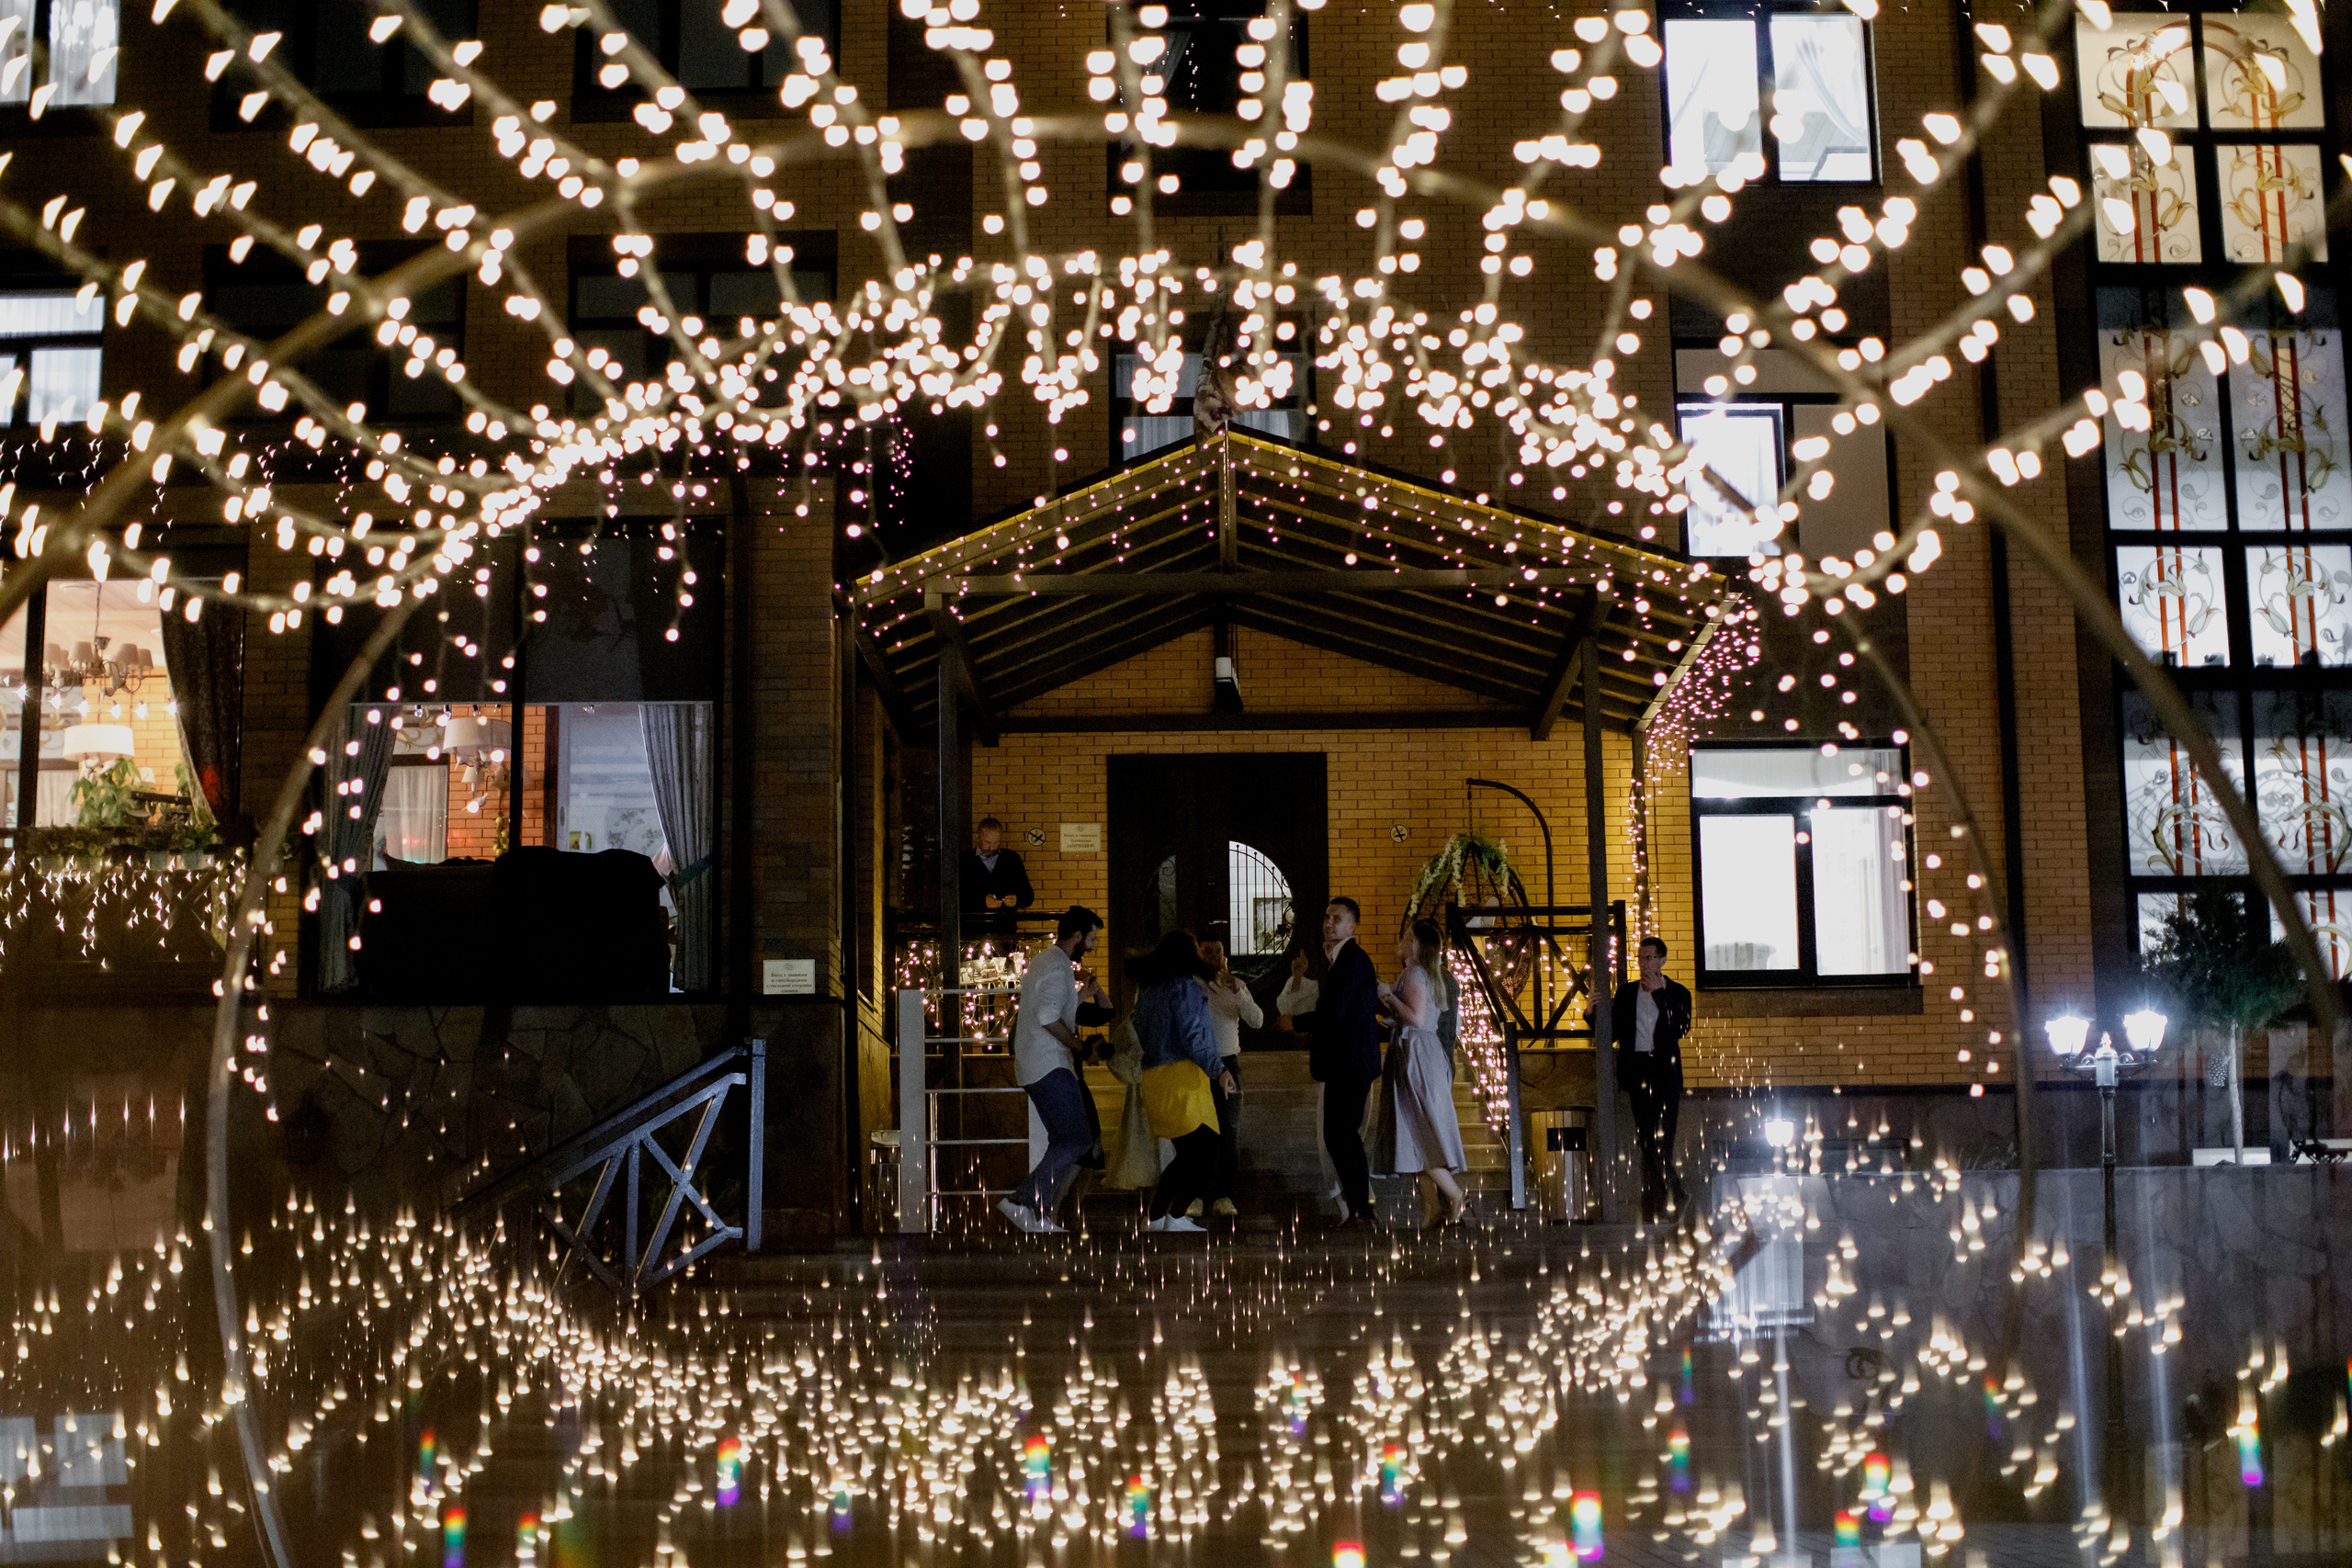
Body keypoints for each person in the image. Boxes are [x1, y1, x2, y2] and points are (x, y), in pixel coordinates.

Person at [999, 906, 1103, 1235]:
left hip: (1035, 1064)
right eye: (1091, 937)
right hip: (1050, 1064)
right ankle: (1023, 1202)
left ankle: (1039, 1213)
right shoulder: (1058, 967)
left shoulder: (1046, 962)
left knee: (1068, 1139)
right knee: (1076, 1140)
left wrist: (1082, 995)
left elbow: (1052, 1008)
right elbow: (1047, 1017)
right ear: (1076, 937)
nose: (1094, 944)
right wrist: (1080, 1048)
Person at [1131, 930, 1234, 1235]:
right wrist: (1220, 1069)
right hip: (1182, 1076)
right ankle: (1171, 1215)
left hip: (1156, 1078)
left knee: (1191, 1152)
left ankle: (1159, 1216)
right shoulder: (1184, 987)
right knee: (1206, 1150)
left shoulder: (1150, 989)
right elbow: (1193, 1036)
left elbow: (1138, 1032)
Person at [1367, 919, 1468, 1228]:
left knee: (1419, 1131)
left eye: (1408, 937)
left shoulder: (1414, 973)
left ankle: (1453, 1194)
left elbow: (1415, 1017)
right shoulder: (1428, 975)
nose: (1401, 940)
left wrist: (1387, 994)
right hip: (1420, 1053)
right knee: (1413, 1134)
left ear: (1417, 946)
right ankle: (1431, 1210)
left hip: (1416, 1058)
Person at [1302, 897, 1382, 1230]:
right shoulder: (1341, 959)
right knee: (1339, 1135)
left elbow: (1334, 1009)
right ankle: (1360, 1210)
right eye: (1326, 916)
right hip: (1346, 1061)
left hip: (1350, 1062)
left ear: (1353, 925)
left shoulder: (1351, 959)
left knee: (1342, 1135)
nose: (1329, 922)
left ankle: (1363, 1212)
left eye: (1337, 917)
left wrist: (1295, 1023)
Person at [1612, 934, 1692, 1222]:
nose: (1644, 964)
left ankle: (1657, 1206)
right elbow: (1612, 1032)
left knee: (1664, 1139)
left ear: (1662, 960)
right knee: (1647, 1139)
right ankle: (1666, 1199)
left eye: (1649, 958)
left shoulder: (1678, 992)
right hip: (1638, 1072)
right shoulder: (1626, 993)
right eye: (1640, 958)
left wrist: (1660, 993)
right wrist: (1589, 1013)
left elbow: (1680, 1028)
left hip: (1666, 1074)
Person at [1193, 939, 1262, 1219]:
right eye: (1206, 950)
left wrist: (1240, 993)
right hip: (1196, 1065)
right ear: (1197, 954)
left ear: (1224, 956)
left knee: (1229, 1132)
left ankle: (1223, 1194)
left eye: (1217, 951)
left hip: (1228, 1062)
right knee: (1198, 1133)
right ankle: (1196, 1194)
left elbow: (1257, 1021)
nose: (1211, 956)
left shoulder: (1235, 985)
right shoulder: (1190, 984)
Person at [961, 817, 1034, 935]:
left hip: (1005, 931)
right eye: (987, 842)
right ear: (978, 837)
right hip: (972, 931)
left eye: (996, 842)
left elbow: (1029, 896)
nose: (992, 847)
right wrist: (981, 901)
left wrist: (1017, 899)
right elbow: (955, 898)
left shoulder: (1012, 859)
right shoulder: (964, 861)